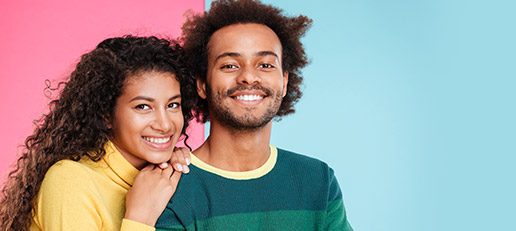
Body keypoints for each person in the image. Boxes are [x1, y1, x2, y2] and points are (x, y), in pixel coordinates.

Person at [155, 0, 352, 230]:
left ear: (285, 81)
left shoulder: (318, 181)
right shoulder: (169, 187)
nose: (248, 77)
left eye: (266, 65)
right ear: (202, 85)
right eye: (229, 65)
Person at [0, 36, 197, 231]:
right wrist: (139, 218)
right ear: (105, 115)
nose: (164, 125)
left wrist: (174, 173)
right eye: (143, 107)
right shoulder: (70, 182)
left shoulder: (162, 181)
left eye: (173, 105)